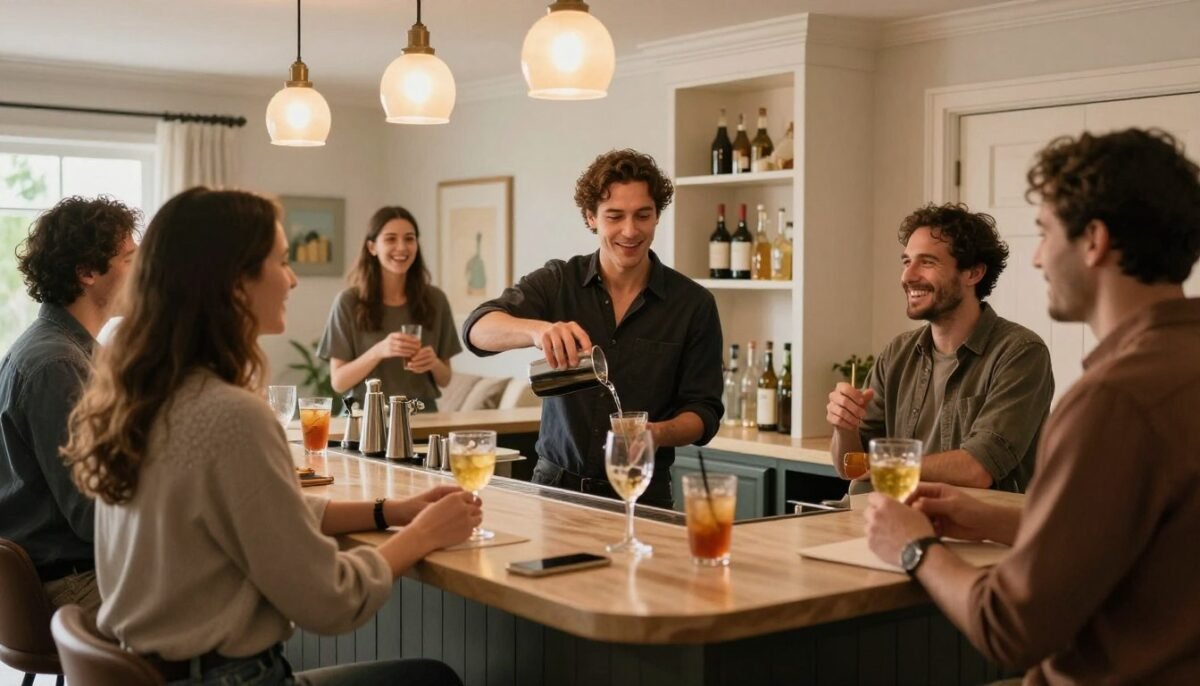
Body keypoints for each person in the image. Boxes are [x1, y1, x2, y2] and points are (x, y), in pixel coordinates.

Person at [62, 188, 476, 685]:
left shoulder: (140, 397)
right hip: (229, 678)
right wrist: (424, 535)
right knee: (429, 678)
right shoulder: (231, 415)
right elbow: (331, 601)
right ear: (235, 283)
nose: (293, 278)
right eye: (281, 261)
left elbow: (264, 514)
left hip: (160, 667)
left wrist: (388, 511)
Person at [865, 128, 1200, 684]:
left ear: (1093, 240)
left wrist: (915, 548)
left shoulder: (1112, 401)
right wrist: (991, 517)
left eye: (1045, 233)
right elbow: (1139, 545)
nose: (1039, 257)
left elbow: (1009, 626)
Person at [463, 149, 724, 509]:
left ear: (656, 217)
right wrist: (538, 331)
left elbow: (705, 411)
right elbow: (477, 329)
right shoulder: (558, 282)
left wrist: (656, 434)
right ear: (591, 218)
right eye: (614, 216)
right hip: (555, 491)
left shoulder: (693, 304)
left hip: (643, 494)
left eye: (642, 216)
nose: (630, 231)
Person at [827, 204, 1053, 493]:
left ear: (973, 272)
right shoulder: (897, 353)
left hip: (979, 533)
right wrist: (844, 426)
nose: (908, 276)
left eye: (927, 262)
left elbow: (977, 469)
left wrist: (878, 465)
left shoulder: (1021, 353)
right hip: (889, 521)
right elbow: (849, 467)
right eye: (907, 261)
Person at [0, 195, 138, 613]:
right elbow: (91, 515)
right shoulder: (56, 364)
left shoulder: (68, 351)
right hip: (72, 583)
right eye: (130, 260)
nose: (142, 273)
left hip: (69, 571)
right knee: (230, 590)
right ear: (86, 272)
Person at [318, 206, 461, 410]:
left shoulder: (436, 300)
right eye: (391, 239)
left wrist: (433, 363)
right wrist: (379, 351)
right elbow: (339, 382)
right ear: (372, 247)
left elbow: (445, 379)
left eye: (409, 239)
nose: (402, 247)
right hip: (365, 420)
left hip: (421, 419)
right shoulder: (348, 302)